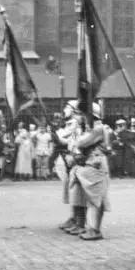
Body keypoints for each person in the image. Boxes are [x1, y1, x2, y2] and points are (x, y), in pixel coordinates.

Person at [71, 103, 112, 240]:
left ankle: (95, 229)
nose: (80, 117)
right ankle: (92, 228)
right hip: (91, 164)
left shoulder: (97, 128)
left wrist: (77, 139)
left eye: (83, 114)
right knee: (92, 198)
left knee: (96, 198)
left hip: (96, 164)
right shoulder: (92, 128)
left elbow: (80, 143)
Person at [57, 100, 86, 234]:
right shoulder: (73, 124)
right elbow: (66, 140)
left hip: (77, 160)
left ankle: (80, 222)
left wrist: (57, 134)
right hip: (71, 159)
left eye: (68, 107)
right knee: (73, 191)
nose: (65, 109)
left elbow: (69, 139)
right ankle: (74, 218)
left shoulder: (76, 124)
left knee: (78, 193)